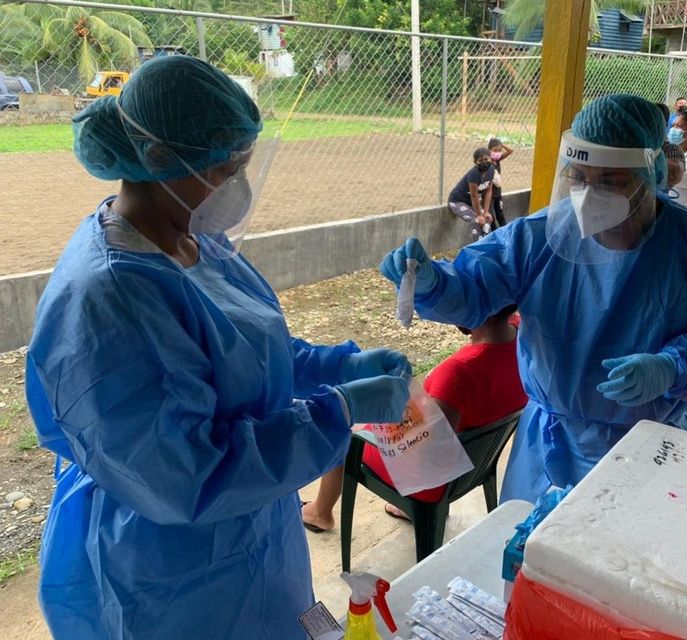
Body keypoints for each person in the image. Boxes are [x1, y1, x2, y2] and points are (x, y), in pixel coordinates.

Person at [25, 56, 412, 640]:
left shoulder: (194, 236)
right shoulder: (112, 299)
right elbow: (184, 475)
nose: (237, 186)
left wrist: (335, 366)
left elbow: (247, 350)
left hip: (256, 526)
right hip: (169, 570)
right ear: (158, 160)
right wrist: (339, 409)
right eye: (226, 169)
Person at [379, 94, 687, 504]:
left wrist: (673, 368)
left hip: (647, 446)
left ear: (651, 171)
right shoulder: (540, 236)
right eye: (579, 178)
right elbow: (473, 290)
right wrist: (429, 283)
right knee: (532, 559)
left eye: (610, 181)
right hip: (548, 448)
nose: (588, 196)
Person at [301, 306, 528, 531]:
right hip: (476, 463)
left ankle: (321, 512)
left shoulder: (458, 372)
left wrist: (395, 409)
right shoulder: (522, 333)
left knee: (345, 435)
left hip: (436, 480)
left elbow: (425, 453)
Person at [448, 147, 494, 240]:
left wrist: (485, 212)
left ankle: (487, 242)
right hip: (457, 201)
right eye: (480, 160)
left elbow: (488, 191)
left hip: (472, 202)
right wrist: (479, 215)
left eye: (486, 159)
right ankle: (478, 247)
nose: (484, 162)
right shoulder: (474, 173)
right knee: (477, 221)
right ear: (475, 162)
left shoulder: (491, 170)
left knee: (488, 219)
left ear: (491, 159)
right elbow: (474, 196)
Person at [488, 137, 514, 229]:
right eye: (495, 150)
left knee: (500, 214)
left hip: (498, 193)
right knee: (491, 218)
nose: (497, 152)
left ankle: (506, 232)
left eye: (499, 151)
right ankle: (495, 235)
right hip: (489, 195)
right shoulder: (487, 163)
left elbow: (510, 150)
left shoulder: (497, 160)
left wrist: (501, 144)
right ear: (489, 150)